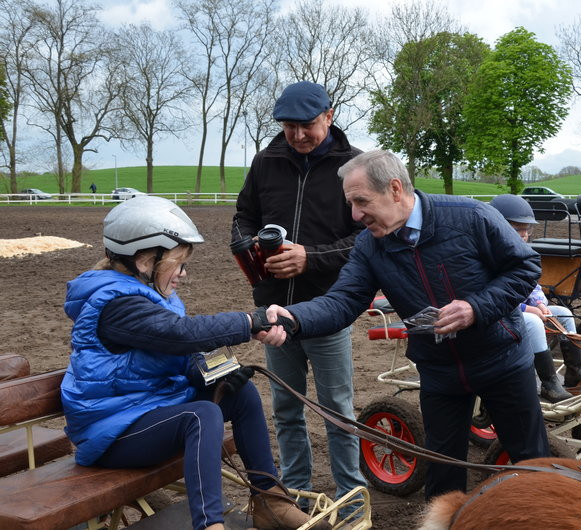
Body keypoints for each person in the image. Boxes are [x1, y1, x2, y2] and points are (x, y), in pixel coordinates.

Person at [258, 150, 550, 500]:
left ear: (395, 189)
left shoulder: (471, 217)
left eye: (361, 201)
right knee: (442, 476)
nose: (355, 215)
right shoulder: (369, 246)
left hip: (501, 360)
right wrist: (295, 317)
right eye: (350, 204)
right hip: (439, 371)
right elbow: (343, 301)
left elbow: (525, 268)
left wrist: (476, 307)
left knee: (534, 466)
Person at [61, 196, 330, 530]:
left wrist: (217, 375)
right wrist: (250, 322)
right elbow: (179, 335)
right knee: (200, 415)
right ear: (146, 260)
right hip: (110, 433)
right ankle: (210, 525)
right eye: (178, 263)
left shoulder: (154, 296)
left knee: (241, 394)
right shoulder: (117, 305)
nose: (184, 273)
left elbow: (181, 355)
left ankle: (271, 502)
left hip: (148, 411)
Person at [231, 81, 366, 505]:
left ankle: (351, 495)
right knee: (286, 411)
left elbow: (367, 236)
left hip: (327, 309)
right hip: (275, 310)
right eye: (288, 126)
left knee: (337, 411)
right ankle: (297, 493)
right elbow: (242, 217)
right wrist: (248, 245)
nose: (297, 135)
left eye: (306, 125)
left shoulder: (356, 166)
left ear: (329, 115)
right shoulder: (266, 161)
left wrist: (312, 257)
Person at [489, 194, 581, 402]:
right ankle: (548, 383)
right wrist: (527, 310)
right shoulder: (491, 259)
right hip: (499, 316)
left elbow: (533, 286)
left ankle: (575, 372)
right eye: (517, 229)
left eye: (526, 230)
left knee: (564, 313)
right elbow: (493, 296)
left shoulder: (520, 254)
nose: (523, 235)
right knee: (533, 322)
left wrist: (540, 303)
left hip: (521, 311)